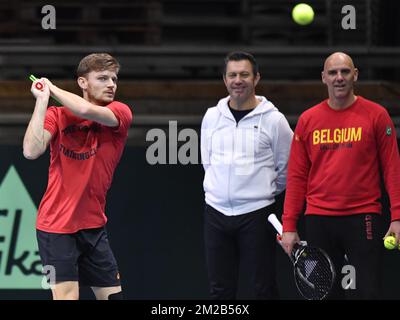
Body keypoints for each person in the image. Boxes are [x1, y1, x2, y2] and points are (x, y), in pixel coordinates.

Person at [281, 52, 400, 299]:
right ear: (323, 77)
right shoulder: (308, 120)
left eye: (345, 71)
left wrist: (397, 217)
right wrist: (289, 225)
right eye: (333, 73)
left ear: (355, 75)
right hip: (319, 220)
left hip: (363, 218)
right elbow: (297, 176)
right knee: (325, 295)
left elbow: (392, 168)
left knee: (367, 292)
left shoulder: (376, 115)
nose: (339, 78)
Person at [23, 53, 133, 300]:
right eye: (102, 78)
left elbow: (85, 109)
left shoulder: (120, 112)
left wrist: (51, 87)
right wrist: (42, 100)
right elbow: (31, 151)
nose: (111, 84)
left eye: (114, 79)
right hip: (55, 228)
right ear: (83, 82)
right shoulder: (57, 115)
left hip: (94, 227)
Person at [200, 51, 293, 299]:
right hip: (215, 215)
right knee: (220, 291)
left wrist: (259, 194)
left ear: (256, 78)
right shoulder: (211, 116)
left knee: (263, 288)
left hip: (257, 215)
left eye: (244, 74)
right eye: (232, 75)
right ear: (224, 79)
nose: (238, 80)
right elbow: (207, 162)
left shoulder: (275, 120)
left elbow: (286, 169)